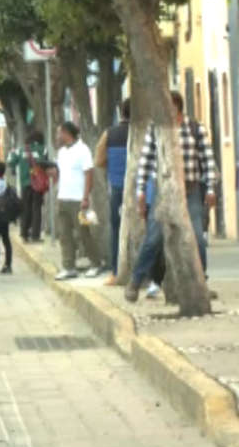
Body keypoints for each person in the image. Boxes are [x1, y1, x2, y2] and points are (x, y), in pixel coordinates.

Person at [125, 92, 219, 302]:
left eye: (171, 107)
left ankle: (200, 282)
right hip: (163, 191)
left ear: (178, 108)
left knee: (197, 238)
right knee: (154, 238)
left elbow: (208, 160)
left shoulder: (195, 128)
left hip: (191, 191)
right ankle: (136, 281)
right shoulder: (155, 129)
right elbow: (146, 162)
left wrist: (211, 188)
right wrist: (140, 191)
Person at [50, 122, 102, 280]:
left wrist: (86, 197)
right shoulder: (61, 152)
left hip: (79, 200)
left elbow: (89, 174)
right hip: (63, 198)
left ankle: (95, 263)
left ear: (67, 133)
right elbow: (61, 174)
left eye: (60, 133)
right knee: (64, 235)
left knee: (84, 233)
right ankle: (68, 266)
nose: (58, 136)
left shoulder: (83, 150)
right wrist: (53, 174)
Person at [95, 99, 131, 285]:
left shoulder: (109, 134)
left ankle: (116, 272)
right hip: (142, 188)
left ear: (121, 112)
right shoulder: (144, 133)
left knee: (116, 229)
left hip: (117, 187)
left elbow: (99, 161)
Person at [7, 132, 49, 242]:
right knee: (36, 208)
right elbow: (46, 163)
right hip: (38, 183)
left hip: (25, 183)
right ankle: (35, 235)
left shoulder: (20, 150)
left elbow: (10, 163)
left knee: (25, 208)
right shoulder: (42, 149)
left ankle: (24, 234)